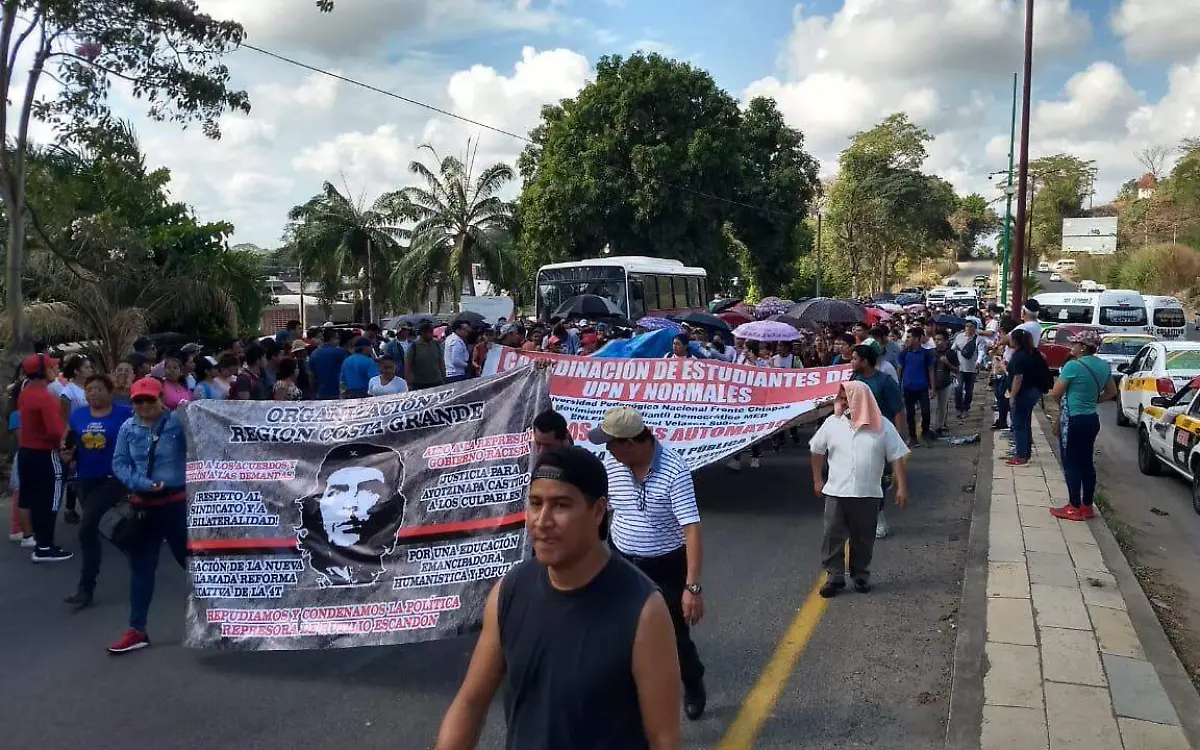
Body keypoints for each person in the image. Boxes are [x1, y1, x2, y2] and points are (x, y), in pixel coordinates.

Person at [435, 446, 681, 750]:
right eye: (536, 503)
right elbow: (470, 703)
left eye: (561, 505)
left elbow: (664, 739)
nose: (542, 520)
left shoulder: (643, 611)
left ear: (597, 512)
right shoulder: (510, 591)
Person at [589, 406, 707, 721]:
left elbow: (691, 528)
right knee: (620, 632)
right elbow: (600, 507)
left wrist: (692, 587)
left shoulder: (673, 470)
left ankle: (693, 683)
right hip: (623, 560)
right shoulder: (611, 466)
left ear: (629, 443)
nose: (607, 450)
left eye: (610, 443)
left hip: (666, 566)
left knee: (673, 637)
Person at [109, 377, 188, 653]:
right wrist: (141, 483)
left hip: (176, 505)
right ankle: (137, 629)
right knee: (141, 569)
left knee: (194, 565)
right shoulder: (127, 428)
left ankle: (226, 617)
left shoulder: (179, 423)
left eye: (149, 400)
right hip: (145, 507)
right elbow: (119, 463)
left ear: (160, 399)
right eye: (137, 401)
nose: (143, 406)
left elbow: (202, 449)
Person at [810, 381, 910, 597]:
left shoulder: (882, 425)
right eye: (842, 399)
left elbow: (897, 456)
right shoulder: (832, 423)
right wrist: (817, 480)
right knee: (832, 535)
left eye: (848, 399)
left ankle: (860, 576)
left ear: (861, 399)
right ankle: (834, 577)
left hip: (868, 493)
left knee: (863, 537)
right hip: (837, 491)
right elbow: (816, 450)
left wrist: (902, 487)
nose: (844, 403)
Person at [62, 374, 133, 608]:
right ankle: (136, 550)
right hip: (85, 479)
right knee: (95, 530)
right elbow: (69, 442)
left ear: (109, 392)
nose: (93, 393)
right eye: (89, 389)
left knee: (87, 527)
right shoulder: (78, 415)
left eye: (98, 389)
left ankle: (85, 588)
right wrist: (67, 453)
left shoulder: (124, 413)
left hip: (113, 478)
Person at [1048, 329, 1117, 520]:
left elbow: (1055, 393)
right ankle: (1087, 506)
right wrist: (1093, 400)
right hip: (1091, 419)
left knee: (1071, 462)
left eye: (1075, 344)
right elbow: (1112, 392)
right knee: (1086, 462)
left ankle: (1073, 506)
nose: (1072, 347)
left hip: (1073, 420)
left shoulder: (1073, 366)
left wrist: (1066, 404)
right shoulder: (1103, 366)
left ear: (1084, 347)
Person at [16, 354, 71, 562]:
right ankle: (45, 547)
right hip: (45, 453)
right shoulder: (45, 397)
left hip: (26, 453)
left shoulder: (26, 392)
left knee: (35, 500)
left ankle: (41, 544)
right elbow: (55, 431)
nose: (56, 370)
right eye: (52, 367)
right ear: (42, 371)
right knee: (50, 500)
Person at [849, 344, 906, 540]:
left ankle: (878, 517)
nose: (851, 362)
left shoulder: (885, 382)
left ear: (865, 361)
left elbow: (898, 411)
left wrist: (897, 441)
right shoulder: (854, 379)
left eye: (855, 358)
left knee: (876, 481)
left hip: (880, 440)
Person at [1006, 328, 1051, 466]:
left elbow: (1018, 378)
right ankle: (1024, 452)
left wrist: (1012, 397)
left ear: (1016, 340)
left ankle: (1021, 455)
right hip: (1033, 391)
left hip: (1025, 392)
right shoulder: (1031, 353)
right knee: (1024, 422)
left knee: (1019, 423)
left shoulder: (1020, 356)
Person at [896, 327, 936, 446]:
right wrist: (899, 386)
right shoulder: (903, 354)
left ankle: (925, 432)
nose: (906, 340)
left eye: (909, 337)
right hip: (908, 388)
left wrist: (932, 388)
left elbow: (930, 371)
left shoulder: (925, 354)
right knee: (910, 414)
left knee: (926, 412)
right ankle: (913, 437)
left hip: (922, 387)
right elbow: (900, 370)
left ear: (917, 339)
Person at [930, 330, 959, 435]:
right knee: (933, 407)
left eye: (939, 339)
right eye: (935, 339)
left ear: (946, 341)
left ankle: (940, 427)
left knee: (942, 406)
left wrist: (947, 363)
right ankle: (931, 427)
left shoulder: (951, 353)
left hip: (945, 383)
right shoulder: (931, 352)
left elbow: (956, 369)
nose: (937, 342)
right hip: (932, 384)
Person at [952, 319, 981, 419]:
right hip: (960, 368)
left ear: (975, 328)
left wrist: (978, 362)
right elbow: (953, 349)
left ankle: (966, 409)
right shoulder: (959, 337)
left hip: (972, 368)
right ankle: (958, 408)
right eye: (967, 326)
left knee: (969, 390)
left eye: (971, 326)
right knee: (958, 388)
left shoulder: (978, 339)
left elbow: (981, 352)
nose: (969, 328)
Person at [309, 328, 349, 399]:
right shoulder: (340, 352)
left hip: (321, 392)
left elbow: (312, 376)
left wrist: (313, 391)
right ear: (332, 338)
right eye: (337, 338)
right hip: (337, 391)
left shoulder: (314, 353)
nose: (338, 341)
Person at [406, 321, 446, 390]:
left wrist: (444, 377)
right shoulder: (414, 346)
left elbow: (441, 362)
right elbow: (408, 365)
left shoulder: (436, 344)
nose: (432, 334)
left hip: (436, 382)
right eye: (430, 332)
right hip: (419, 383)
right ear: (422, 332)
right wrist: (409, 383)